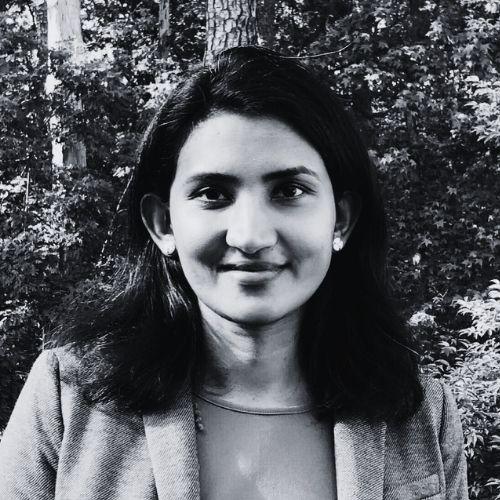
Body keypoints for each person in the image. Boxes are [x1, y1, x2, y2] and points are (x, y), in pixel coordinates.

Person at [0, 46, 467, 499]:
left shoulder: (421, 416)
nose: (250, 236)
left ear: (340, 220)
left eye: (288, 190)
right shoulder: (68, 401)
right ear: (163, 224)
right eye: (213, 194)